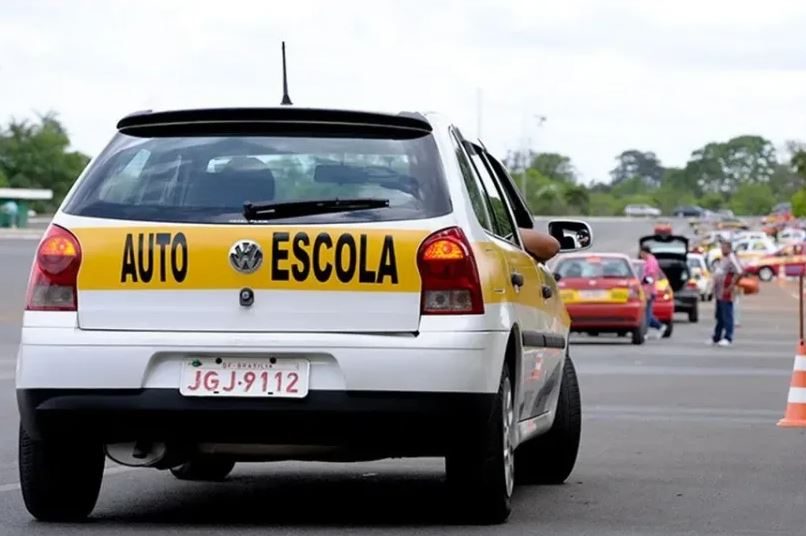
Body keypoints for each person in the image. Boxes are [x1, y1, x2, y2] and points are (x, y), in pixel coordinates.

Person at [710, 240, 743, 347]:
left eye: (723, 248)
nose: (722, 249)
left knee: (727, 314)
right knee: (719, 316)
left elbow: (739, 271)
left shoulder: (731, 258)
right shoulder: (723, 259)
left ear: (729, 248)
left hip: (726, 291)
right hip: (719, 292)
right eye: (721, 247)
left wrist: (732, 285)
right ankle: (717, 337)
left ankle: (728, 337)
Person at [639, 245, 667, 338]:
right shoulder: (649, 261)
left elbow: (651, 278)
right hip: (646, 290)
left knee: (646, 313)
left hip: (649, 291)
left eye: (641, 253)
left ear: (644, 252)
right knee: (647, 313)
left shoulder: (651, 261)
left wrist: (648, 292)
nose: (640, 255)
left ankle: (645, 332)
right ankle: (660, 326)